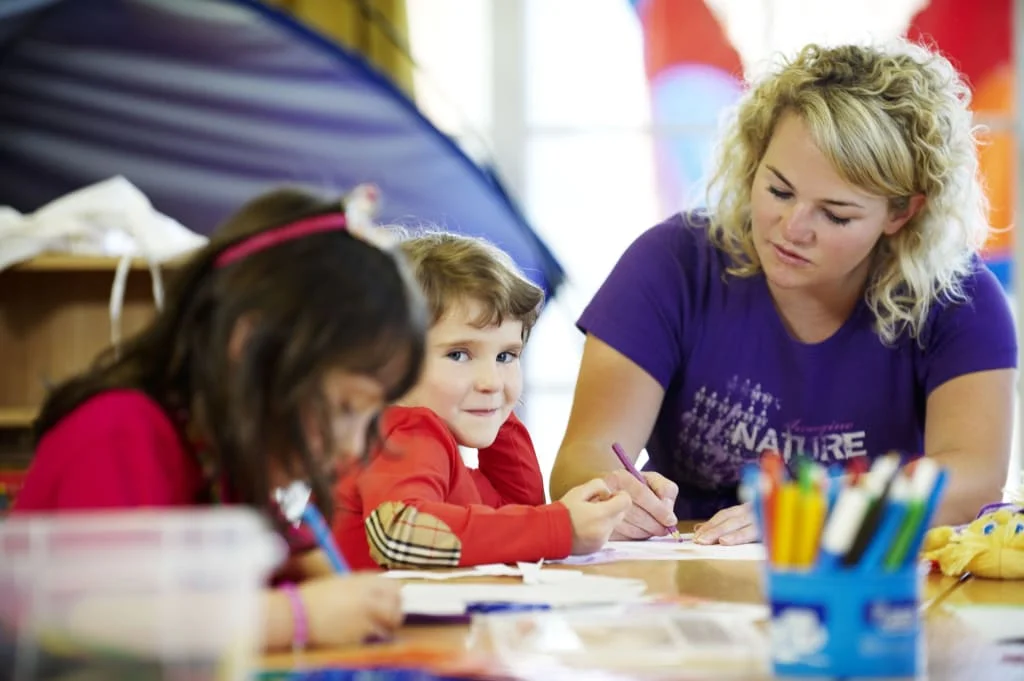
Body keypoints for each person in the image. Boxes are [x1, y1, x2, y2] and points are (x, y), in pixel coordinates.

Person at [550, 40, 1018, 546]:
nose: (792, 228)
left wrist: (817, 511)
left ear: (901, 213)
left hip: (863, 586)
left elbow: (973, 481)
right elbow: (584, 455)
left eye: (836, 214)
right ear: (755, 162)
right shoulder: (672, 264)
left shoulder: (959, 299)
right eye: (778, 190)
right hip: (682, 579)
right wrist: (612, 493)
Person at [12, 187, 430, 649]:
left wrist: (332, 586)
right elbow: (94, 620)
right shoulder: (118, 430)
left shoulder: (227, 455)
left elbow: (297, 563)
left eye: (372, 418)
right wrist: (298, 617)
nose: (354, 447)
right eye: (346, 408)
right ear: (249, 347)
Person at [333, 231, 631, 569]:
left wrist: (499, 418)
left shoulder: (442, 453)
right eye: (459, 354)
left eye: (506, 356)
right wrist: (561, 526)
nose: (491, 381)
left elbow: (517, 512)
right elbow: (399, 534)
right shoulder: (406, 430)